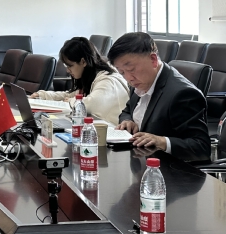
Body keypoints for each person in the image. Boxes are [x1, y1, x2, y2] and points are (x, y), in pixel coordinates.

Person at [108, 32, 211, 160]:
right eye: (122, 72)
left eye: (131, 69)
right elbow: (127, 110)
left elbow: (201, 147)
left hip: (168, 168)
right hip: (140, 161)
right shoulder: (140, 82)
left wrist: (162, 141)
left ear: (153, 60)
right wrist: (127, 121)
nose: (128, 78)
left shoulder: (183, 94)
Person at [30, 37, 130, 125]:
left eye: (70, 66)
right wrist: (43, 95)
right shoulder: (91, 78)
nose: (67, 70)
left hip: (114, 133)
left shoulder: (108, 80)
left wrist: (71, 101)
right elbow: (71, 95)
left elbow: (91, 104)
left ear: (83, 62)